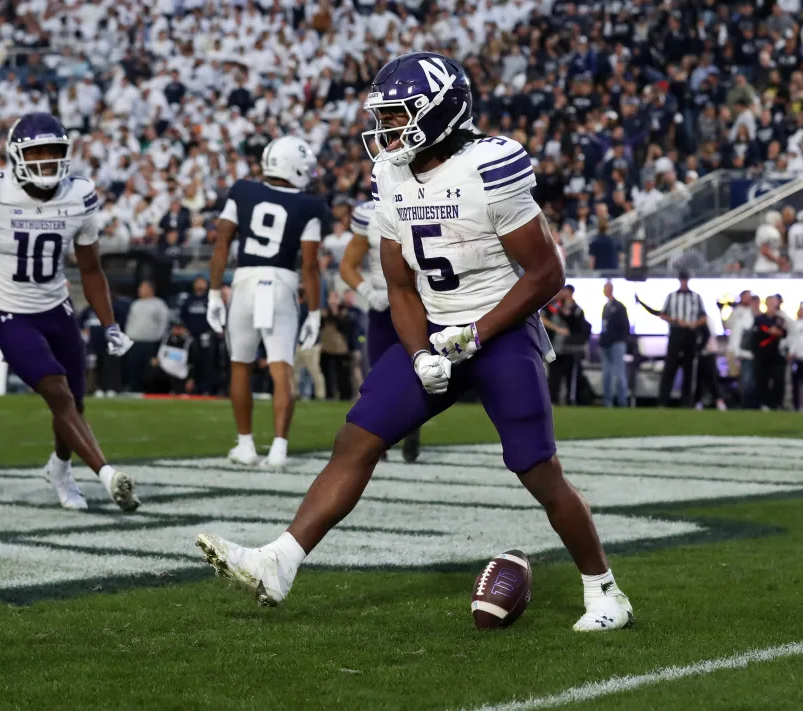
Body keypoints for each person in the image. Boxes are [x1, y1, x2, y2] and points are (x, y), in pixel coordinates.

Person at [197, 52, 633, 632]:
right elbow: (399, 284)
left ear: (443, 111)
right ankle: (281, 559)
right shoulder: (391, 175)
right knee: (356, 438)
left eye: (401, 115)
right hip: (433, 325)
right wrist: (423, 351)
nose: (387, 130)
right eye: (386, 116)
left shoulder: (489, 165)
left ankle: (604, 591)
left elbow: (547, 274)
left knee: (536, 469)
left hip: (500, 330)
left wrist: (475, 332)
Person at [0, 112, 140, 513]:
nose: (47, 161)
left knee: (74, 402)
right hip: (8, 312)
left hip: (56, 307)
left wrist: (110, 324)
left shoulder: (79, 196)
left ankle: (59, 468)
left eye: (55, 152)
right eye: (37, 152)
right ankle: (106, 474)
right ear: (16, 156)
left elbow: (90, 269)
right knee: (56, 390)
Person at [206, 136, 328, 470]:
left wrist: (215, 292)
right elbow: (310, 267)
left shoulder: (242, 191)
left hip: (244, 282)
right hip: (280, 283)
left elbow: (221, 246)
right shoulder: (310, 206)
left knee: (240, 365)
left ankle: (245, 445)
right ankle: (278, 449)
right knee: (280, 368)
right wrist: (315, 312)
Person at [339, 200, 421, 460]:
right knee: (376, 375)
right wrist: (368, 292)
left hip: (418, 302)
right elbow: (347, 266)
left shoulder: (424, 199)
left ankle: (412, 428)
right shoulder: (368, 213)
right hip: (382, 306)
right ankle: (377, 435)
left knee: (420, 370)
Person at [656, 270, 705, 407]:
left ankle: (686, 402)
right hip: (676, 332)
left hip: (690, 334)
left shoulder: (695, 297)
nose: (683, 282)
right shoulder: (672, 297)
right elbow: (663, 314)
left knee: (688, 369)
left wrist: (694, 324)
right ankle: (663, 401)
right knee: (670, 367)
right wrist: (675, 320)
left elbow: (704, 317)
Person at [753, 294, 789, 411]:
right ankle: (764, 403)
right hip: (762, 354)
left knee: (778, 379)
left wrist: (774, 332)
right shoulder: (759, 319)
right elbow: (760, 332)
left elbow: (783, 333)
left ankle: (776, 403)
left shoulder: (781, 319)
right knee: (762, 380)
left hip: (776, 354)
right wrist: (771, 331)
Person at [599, 281, 629, 407]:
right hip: (606, 343)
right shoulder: (606, 307)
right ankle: (608, 400)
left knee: (619, 373)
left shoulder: (619, 307)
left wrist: (619, 339)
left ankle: (622, 401)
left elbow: (625, 326)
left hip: (616, 343)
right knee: (607, 373)